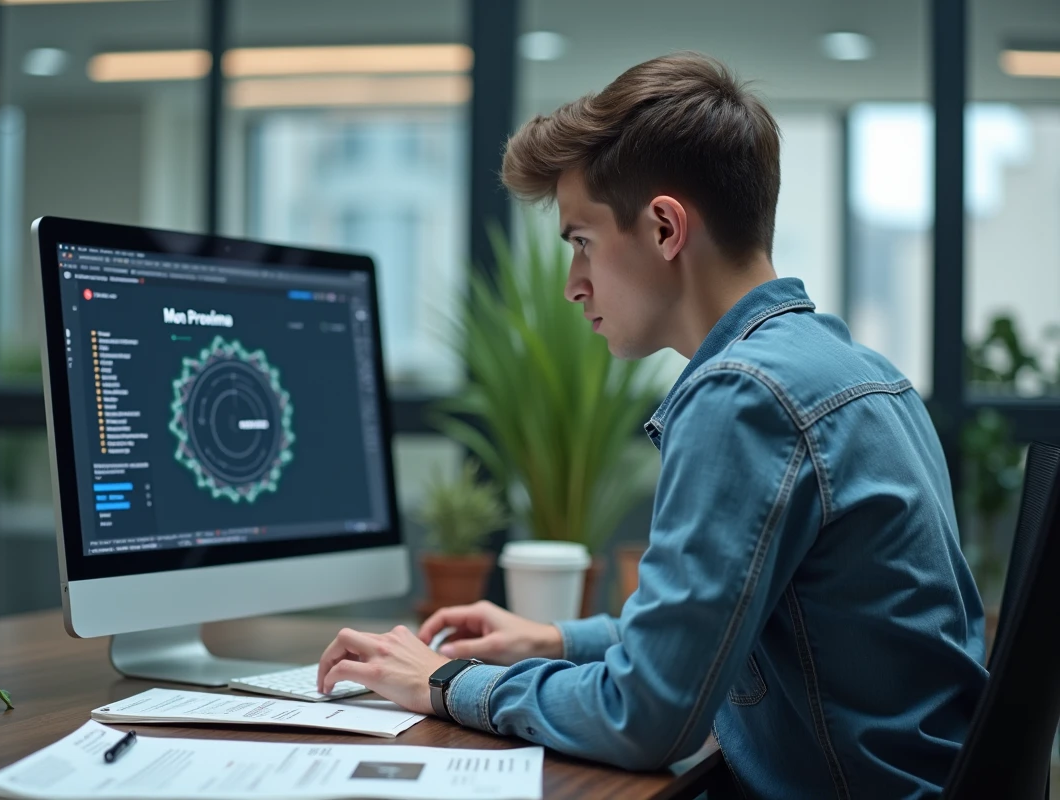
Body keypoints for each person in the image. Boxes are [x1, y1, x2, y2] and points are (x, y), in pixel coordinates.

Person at [316, 52, 988, 799]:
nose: (573, 285)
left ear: (665, 227)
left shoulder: (745, 395)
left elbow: (644, 718)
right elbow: (739, 627)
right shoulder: (854, 370)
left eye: (580, 242)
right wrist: (556, 640)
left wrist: (446, 681)